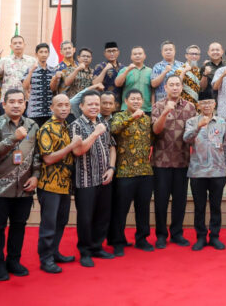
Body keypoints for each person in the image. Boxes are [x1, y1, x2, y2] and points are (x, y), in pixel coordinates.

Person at [0, 89, 40, 281]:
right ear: (4, 103)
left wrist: (36, 176)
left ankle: (14, 261)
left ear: (25, 104)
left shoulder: (33, 125)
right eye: (12, 102)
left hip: (24, 186)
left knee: (19, 225)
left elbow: (37, 155)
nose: (16, 105)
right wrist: (13, 138)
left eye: (20, 101)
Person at [69, 91, 116, 267]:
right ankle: (85, 251)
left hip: (104, 177)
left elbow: (112, 147)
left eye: (97, 104)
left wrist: (111, 168)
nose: (95, 107)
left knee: (103, 215)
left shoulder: (104, 123)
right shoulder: (76, 125)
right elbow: (78, 151)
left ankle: (97, 247)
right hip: (85, 179)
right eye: (90, 104)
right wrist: (95, 133)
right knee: (86, 217)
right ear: (81, 106)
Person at [35, 94, 80, 273]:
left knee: (61, 221)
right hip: (49, 185)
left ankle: (54, 253)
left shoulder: (66, 126)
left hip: (64, 184)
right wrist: (71, 146)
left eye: (66, 105)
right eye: (59, 105)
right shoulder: (46, 128)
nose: (63, 108)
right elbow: (48, 159)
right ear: (51, 108)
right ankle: (45, 259)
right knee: (49, 223)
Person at [151, 74, 197, 248]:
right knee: (161, 201)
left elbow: (192, 134)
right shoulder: (157, 106)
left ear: (182, 87)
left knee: (180, 201)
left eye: (178, 84)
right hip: (161, 163)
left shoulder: (191, 107)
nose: (175, 87)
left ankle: (177, 233)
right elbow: (156, 131)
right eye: (172, 85)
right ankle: (161, 235)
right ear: (165, 87)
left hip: (182, 162)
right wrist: (165, 112)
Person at [108, 90, 155, 254]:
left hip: (145, 171)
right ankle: (118, 241)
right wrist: (132, 118)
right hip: (124, 172)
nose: (136, 101)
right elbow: (113, 130)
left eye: (139, 99)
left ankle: (142, 239)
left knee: (143, 209)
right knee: (121, 209)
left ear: (143, 101)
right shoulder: (119, 116)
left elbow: (153, 139)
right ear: (126, 101)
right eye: (132, 99)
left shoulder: (146, 118)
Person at [183, 89, 226, 250]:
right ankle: (201, 237)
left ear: (214, 104)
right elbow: (186, 139)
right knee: (199, 206)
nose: (207, 105)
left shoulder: (222, 122)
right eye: (203, 103)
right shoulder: (191, 121)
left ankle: (215, 236)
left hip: (218, 172)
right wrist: (198, 126)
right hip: (198, 172)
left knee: (216, 206)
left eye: (209, 102)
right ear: (198, 105)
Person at [0, 36, 36, 100]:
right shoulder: (4, 60)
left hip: (26, 99)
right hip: (7, 100)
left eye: (20, 43)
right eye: (15, 43)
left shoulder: (33, 61)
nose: (17, 45)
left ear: (24, 45)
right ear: (11, 46)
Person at [23, 42, 56, 127]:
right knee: (33, 137)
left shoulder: (53, 71)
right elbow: (25, 87)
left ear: (48, 54)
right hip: (34, 111)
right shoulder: (30, 69)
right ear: (36, 54)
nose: (43, 54)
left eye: (46, 52)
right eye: (41, 52)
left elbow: (54, 89)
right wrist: (31, 72)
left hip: (50, 111)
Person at [115, 46, 153, 114]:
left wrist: (153, 106)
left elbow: (153, 91)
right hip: (127, 109)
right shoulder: (124, 70)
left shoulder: (150, 71)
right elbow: (117, 83)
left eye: (140, 54)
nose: (137, 56)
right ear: (131, 57)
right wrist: (127, 70)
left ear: (144, 56)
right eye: (135, 54)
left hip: (146, 109)